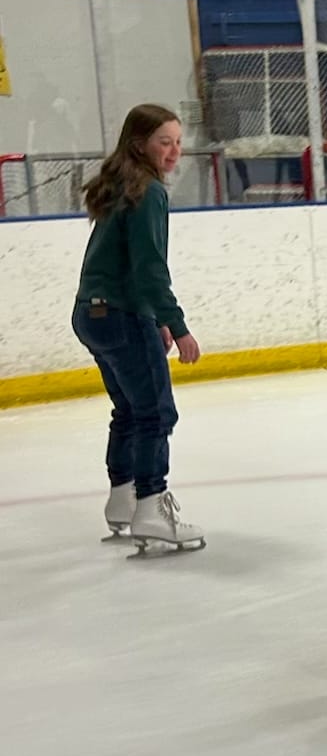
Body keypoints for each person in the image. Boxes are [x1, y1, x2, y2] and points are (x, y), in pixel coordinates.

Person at [72, 103, 205, 554]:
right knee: (155, 413)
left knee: (129, 409)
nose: (174, 151)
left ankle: (123, 499)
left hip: (93, 314)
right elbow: (149, 269)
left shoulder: (120, 186)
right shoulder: (147, 192)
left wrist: (153, 317)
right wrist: (177, 325)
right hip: (121, 315)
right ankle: (151, 506)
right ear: (138, 144)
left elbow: (123, 263)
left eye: (178, 142)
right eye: (164, 142)